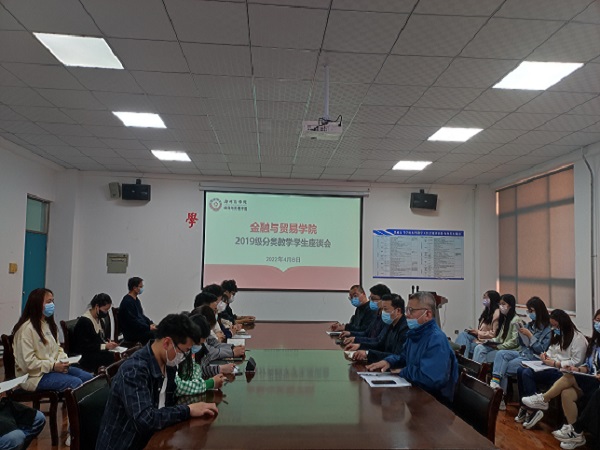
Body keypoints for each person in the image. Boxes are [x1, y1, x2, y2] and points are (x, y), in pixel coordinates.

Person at [95, 314, 219, 450]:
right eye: (184, 351)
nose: (184, 357)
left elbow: (166, 405)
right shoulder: (135, 370)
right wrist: (188, 410)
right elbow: (145, 419)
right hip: (127, 444)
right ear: (167, 343)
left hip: (155, 437)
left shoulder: (168, 365)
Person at [519, 309, 600, 443]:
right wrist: (577, 369)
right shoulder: (595, 343)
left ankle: (543, 399)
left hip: (593, 382)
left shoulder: (578, 339)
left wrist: (559, 364)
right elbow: (587, 365)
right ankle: (576, 434)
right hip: (585, 377)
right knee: (566, 393)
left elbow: (577, 360)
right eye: (596, 320)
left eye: (556, 326)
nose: (554, 329)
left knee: (569, 376)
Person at [366, 291, 458, 405]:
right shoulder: (415, 333)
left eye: (411, 310)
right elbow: (403, 357)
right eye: (407, 310)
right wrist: (388, 362)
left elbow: (430, 378)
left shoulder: (436, 339)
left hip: (434, 401)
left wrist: (404, 371)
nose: (407, 314)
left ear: (427, 314)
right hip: (416, 392)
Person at [13, 288, 93, 393]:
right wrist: (53, 366)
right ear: (37, 304)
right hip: (34, 377)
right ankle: (76, 404)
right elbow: (28, 363)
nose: (52, 305)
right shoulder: (26, 330)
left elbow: (58, 348)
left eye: (52, 301)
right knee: (75, 382)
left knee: (88, 378)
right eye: (48, 301)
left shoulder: (47, 325)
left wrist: (63, 360)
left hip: (53, 369)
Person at [489, 296, 552, 405]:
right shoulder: (530, 325)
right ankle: (495, 382)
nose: (529, 313)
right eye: (528, 311)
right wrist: (521, 334)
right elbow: (522, 344)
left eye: (531, 311)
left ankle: (500, 397)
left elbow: (542, 350)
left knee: (503, 366)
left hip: (534, 358)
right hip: (523, 353)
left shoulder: (548, 329)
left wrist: (530, 336)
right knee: (501, 354)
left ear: (539, 311)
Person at [346, 294, 408, 364]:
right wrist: (360, 346)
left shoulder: (405, 329)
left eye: (385, 309)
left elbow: (397, 356)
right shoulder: (391, 323)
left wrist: (367, 354)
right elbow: (380, 344)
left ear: (398, 311)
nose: (382, 312)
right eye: (382, 309)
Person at [175, 314, 225, 397]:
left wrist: (198, 384)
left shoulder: (189, 352)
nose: (199, 346)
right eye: (197, 343)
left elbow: (196, 371)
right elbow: (178, 387)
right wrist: (209, 383)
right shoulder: (177, 354)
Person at [72, 293, 120, 373]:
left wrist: (107, 343)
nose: (106, 313)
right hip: (86, 355)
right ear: (97, 307)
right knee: (112, 358)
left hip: (96, 351)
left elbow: (100, 339)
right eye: (105, 310)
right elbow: (84, 347)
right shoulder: (85, 322)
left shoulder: (100, 320)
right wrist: (105, 346)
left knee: (117, 355)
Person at [472, 293, 520, 364]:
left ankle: (480, 369)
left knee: (484, 355)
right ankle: (476, 368)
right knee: (479, 347)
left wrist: (498, 347)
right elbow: (499, 338)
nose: (501, 306)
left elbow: (514, 342)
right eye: (500, 304)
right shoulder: (505, 319)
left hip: (509, 349)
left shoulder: (516, 320)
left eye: (503, 304)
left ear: (510, 306)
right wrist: (488, 341)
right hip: (499, 345)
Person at [455, 290, 500, 357]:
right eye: (483, 297)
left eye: (486, 297)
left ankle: (460, 359)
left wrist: (478, 333)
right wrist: (475, 332)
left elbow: (494, 334)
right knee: (463, 334)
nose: (484, 299)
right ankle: (459, 358)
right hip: (481, 337)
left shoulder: (497, 314)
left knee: (468, 346)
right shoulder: (486, 311)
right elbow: (483, 329)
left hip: (488, 341)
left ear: (492, 299)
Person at [119, 277, 156, 345]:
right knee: (154, 334)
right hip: (132, 333)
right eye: (140, 287)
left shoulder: (136, 300)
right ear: (134, 288)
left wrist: (150, 323)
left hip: (139, 329)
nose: (142, 289)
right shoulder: (127, 302)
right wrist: (148, 327)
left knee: (158, 330)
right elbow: (133, 321)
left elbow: (141, 315)